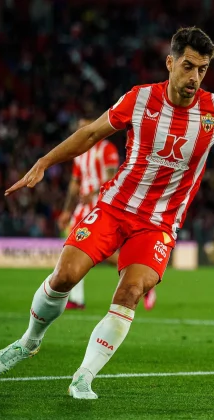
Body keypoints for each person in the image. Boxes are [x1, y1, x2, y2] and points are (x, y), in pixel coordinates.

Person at [0, 27, 214, 399]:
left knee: (130, 291)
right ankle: (29, 342)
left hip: (158, 224)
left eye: (203, 69)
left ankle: (84, 376)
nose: (194, 77)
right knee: (65, 275)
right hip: (114, 207)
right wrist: (45, 161)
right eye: (188, 66)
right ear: (170, 63)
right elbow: (92, 133)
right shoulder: (139, 100)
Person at [57, 118, 157, 311]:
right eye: (79, 127)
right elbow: (74, 183)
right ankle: (76, 299)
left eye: (85, 126)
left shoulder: (107, 149)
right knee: (75, 246)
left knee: (100, 252)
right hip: (83, 208)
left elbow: (111, 177)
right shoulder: (80, 153)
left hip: (103, 204)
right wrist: (66, 211)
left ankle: (139, 278)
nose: (82, 130)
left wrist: (92, 193)